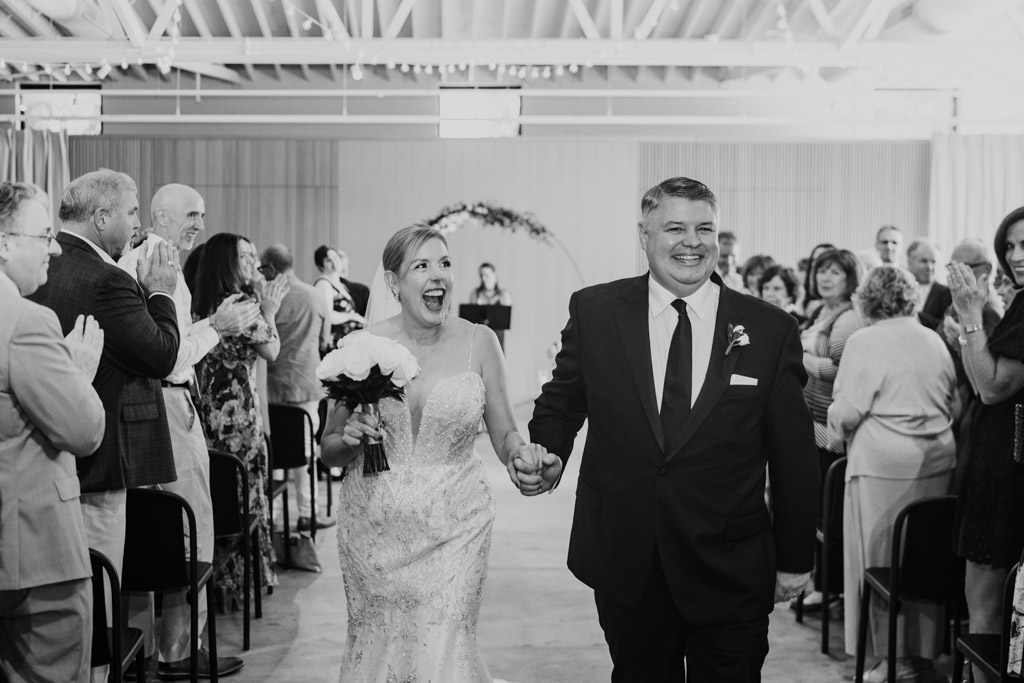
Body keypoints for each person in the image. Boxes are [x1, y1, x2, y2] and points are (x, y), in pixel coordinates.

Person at [527, 177, 820, 681]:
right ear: (644, 235)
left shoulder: (770, 329)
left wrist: (795, 557)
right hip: (628, 559)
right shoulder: (596, 312)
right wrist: (549, 452)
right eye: (675, 228)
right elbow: (560, 404)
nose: (692, 241)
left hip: (729, 564)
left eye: (704, 227)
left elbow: (793, 452)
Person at [320, 224, 551, 682]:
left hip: (457, 525)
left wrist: (523, 457)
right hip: (374, 530)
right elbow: (329, 451)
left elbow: (505, 433)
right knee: (380, 647)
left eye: (444, 263)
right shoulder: (363, 349)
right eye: (421, 265)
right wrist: (348, 439)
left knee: (444, 643)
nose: (437, 276)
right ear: (393, 282)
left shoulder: (479, 341)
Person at [28, 168, 180, 683]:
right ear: (101, 217)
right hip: (99, 456)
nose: (137, 224)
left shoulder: (48, 267)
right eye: (132, 212)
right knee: (98, 606)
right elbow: (159, 354)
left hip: (50, 461)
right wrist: (158, 292)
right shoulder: (108, 279)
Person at [118, 184, 256, 679]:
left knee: (140, 532)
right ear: (160, 216)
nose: (200, 223)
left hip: (137, 408)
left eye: (202, 214)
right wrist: (218, 326)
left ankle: (137, 650)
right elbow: (172, 355)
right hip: (170, 407)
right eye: (191, 214)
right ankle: (180, 651)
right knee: (189, 530)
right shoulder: (164, 267)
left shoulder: (135, 258)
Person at [828, 266, 956, 682]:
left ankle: (890, 660)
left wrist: (831, 422)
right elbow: (953, 401)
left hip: (882, 465)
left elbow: (847, 412)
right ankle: (920, 655)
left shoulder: (865, 341)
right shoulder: (932, 339)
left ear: (867, 298)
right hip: (937, 460)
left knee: (878, 561)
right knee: (923, 562)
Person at [0, 181, 105, 683]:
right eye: (44, 235)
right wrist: (79, 377)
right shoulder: (25, 321)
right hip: (32, 555)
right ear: (4, 243)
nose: (56, 247)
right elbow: (84, 431)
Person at [948, 207, 1024, 683]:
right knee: (985, 604)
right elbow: (982, 384)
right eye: (1011, 246)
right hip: (997, 464)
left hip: (1009, 474)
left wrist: (970, 316)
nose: (1017, 256)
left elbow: (991, 387)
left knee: (989, 608)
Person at [194, 233, 288, 611]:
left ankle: (214, 584)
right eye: (244, 256)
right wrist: (269, 312)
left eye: (253, 254)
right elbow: (272, 350)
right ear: (226, 262)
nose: (252, 262)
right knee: (243, 499)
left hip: (207, 415)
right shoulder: (242, 305)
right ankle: (237, 585)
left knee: (216, 500)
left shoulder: (203, 300)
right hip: (238, 420)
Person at [798, 247, 868, 613]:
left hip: (831, 428)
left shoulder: (849, 320)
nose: (825, 277)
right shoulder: (820, 311)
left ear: (850, 278)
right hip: (811, 421)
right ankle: (816, 582)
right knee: (813, 510)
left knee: (829, 515)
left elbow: (841, 370)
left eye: (835, 273)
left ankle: (830, 590)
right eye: (821, 271)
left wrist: (798, 353)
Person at [262, 244, 334, 532]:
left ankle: (274, 515)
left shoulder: (263, 300)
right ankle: (307, 512)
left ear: (269, 268)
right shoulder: (315, 295)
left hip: (272, 386)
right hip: (305, 384)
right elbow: (325, 340)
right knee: (305, 452)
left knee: (275, 454)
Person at [314, 245, 365, 353]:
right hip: (335, 345)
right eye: (328, 260)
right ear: (320, 266)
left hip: (347, 343)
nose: (334, 262)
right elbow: (328, 316)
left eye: (336, 257)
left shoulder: (342, 285)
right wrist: (352, 316)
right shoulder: (324, 284)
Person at [906, 238, 951, 331]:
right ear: (910, 261)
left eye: (933, 262)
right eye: (924, 261)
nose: (929, 267)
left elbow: (945, 328)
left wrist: (916, 315)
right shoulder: (898, 289)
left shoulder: (946, 293)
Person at [468, 262, 513, 350]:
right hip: (480, 339)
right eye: (482, 276)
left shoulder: (503, 295)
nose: (484, 279)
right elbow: (471, 319)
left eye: (487, 275)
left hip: (498, 340)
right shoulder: (476, 294)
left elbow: (505, 316)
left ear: (494, 276)